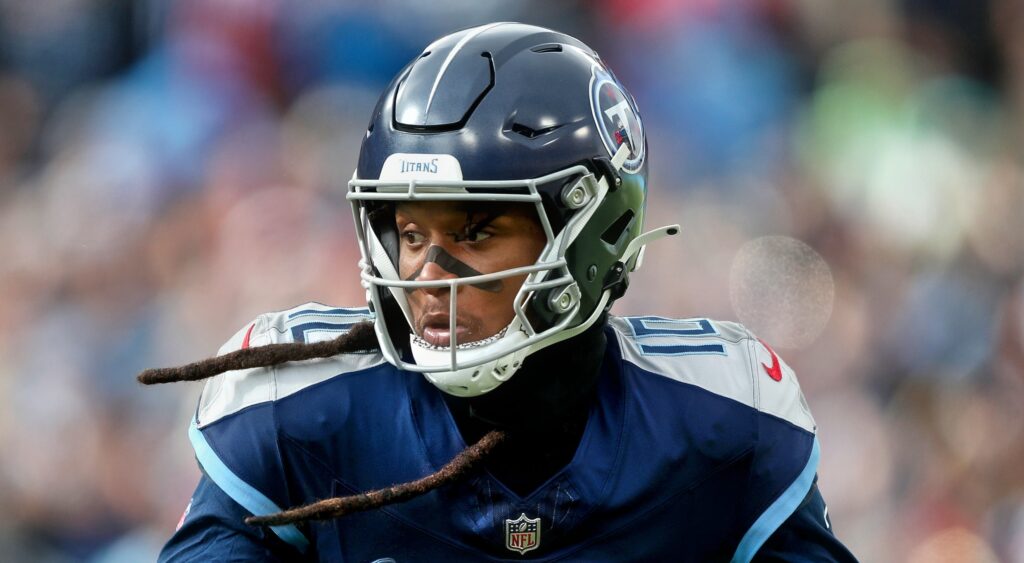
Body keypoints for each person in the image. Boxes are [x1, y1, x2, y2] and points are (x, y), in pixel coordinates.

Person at [146, 22, 857, 562]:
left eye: (476, 233)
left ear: (592, 234)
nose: (426, 275)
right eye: (411, 233)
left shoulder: (722, 422)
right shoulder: (296, 412)